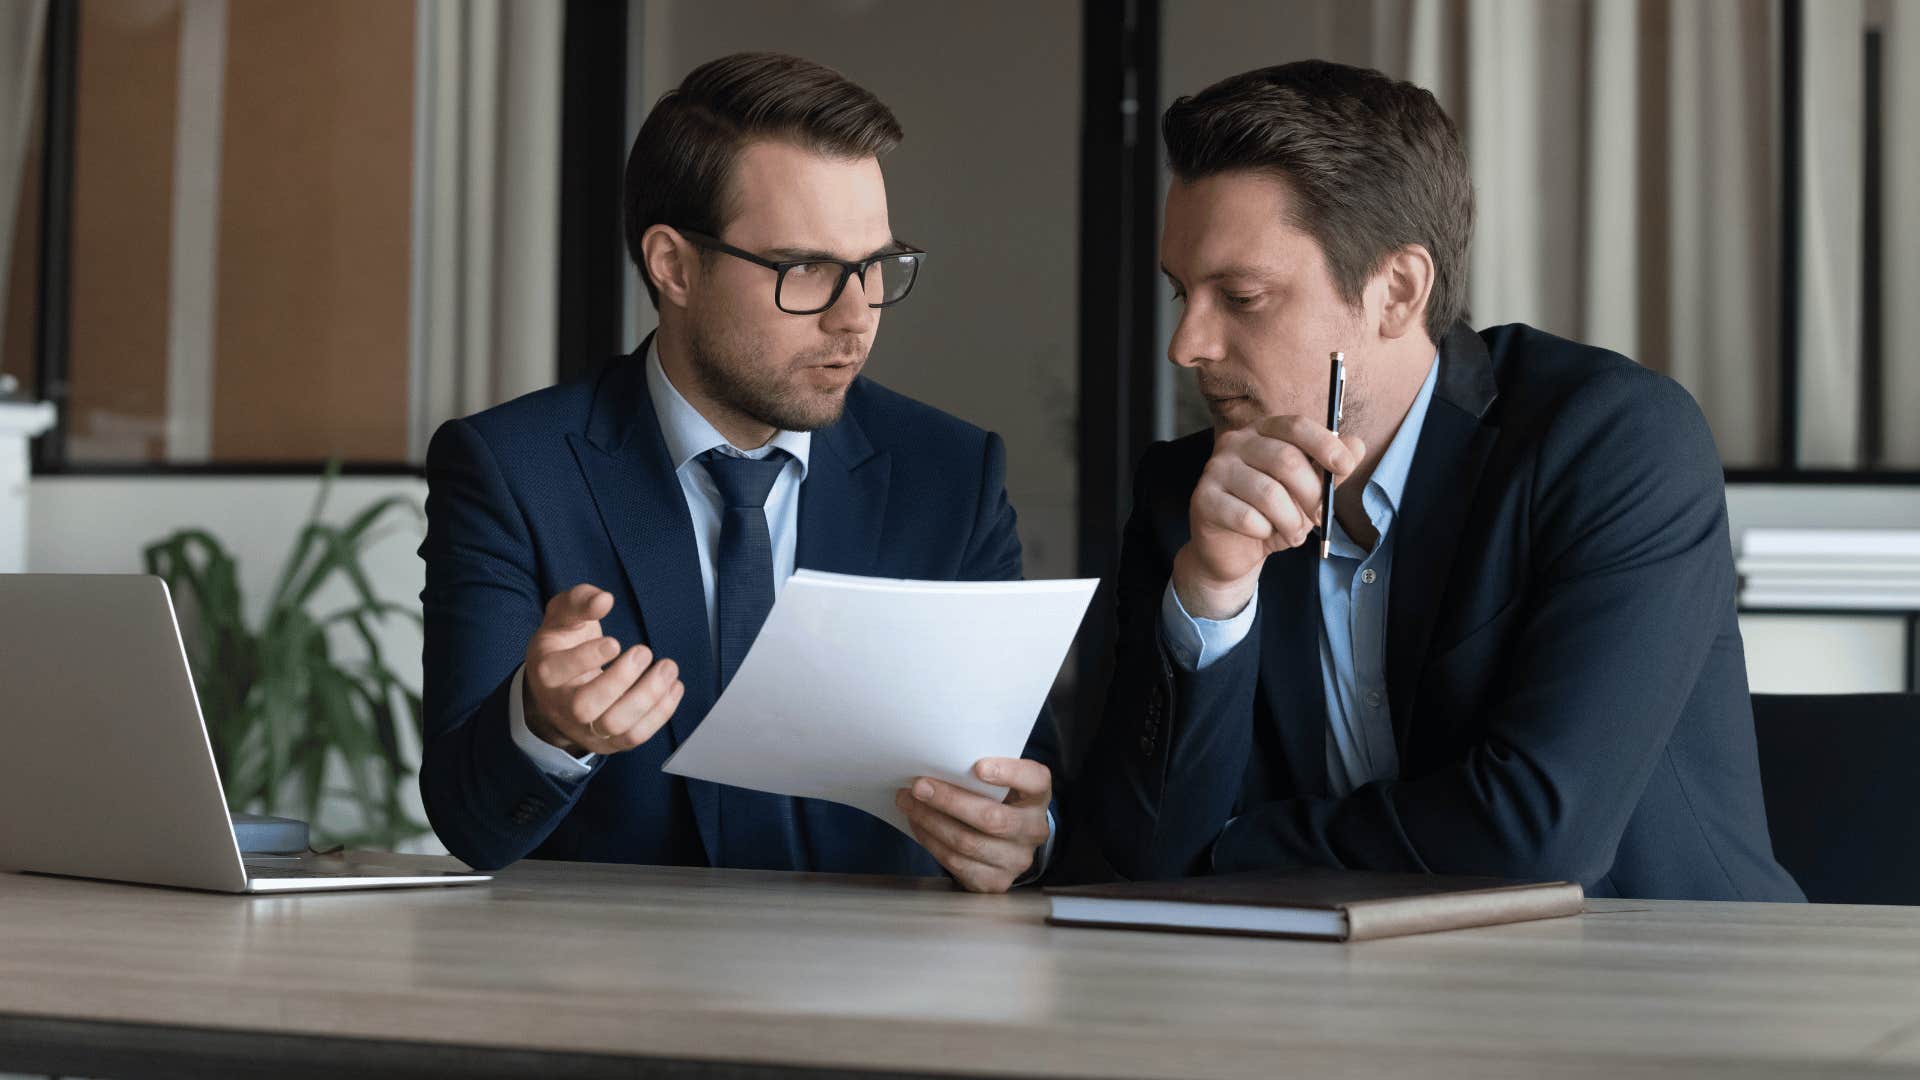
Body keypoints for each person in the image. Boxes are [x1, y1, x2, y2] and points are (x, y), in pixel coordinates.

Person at [1081, 60, 1802, 901]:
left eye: (1240, 296)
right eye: (1182, 294)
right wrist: (1212, 595)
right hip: (1327, 1000)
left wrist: (1235, 846)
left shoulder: (1611, 442)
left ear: (1398, 291)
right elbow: (1139, 851)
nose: (1188, 345)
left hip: (1649, 990)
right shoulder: (1190, 496)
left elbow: (1536, 834)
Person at [419, 52, 1055, 892]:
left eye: (876, 266)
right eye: (808, 271)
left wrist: (1025, 833)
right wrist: (546, 727)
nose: (856, 316)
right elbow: (470, 827)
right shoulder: (511, 469)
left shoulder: (953, 476)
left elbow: (1024, 780)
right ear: (674, 267)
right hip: (608, 995)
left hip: (884, 990)